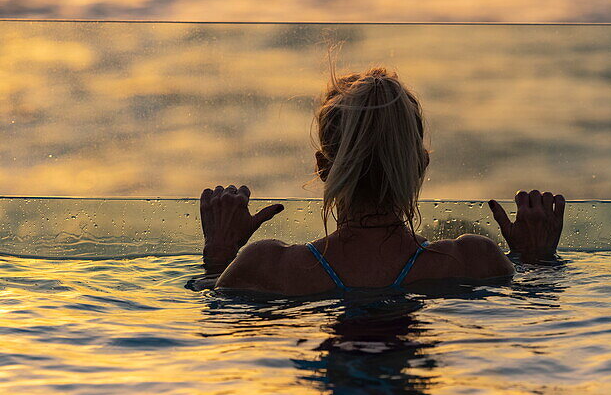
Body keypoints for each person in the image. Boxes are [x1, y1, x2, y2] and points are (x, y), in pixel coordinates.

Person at [198, 63, 565, 295]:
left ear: (323, 167)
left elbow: (218, 324)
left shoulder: (267, 267)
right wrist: (536, 258)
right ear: (420, 165)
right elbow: (535, 317)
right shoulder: (475, 261)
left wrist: (219, 258)